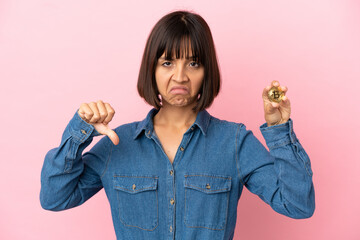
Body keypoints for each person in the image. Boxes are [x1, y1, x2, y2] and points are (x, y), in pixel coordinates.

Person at [40, 10, 315, 240]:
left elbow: (298, 205)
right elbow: (54, 198)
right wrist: (79, 131)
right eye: (168, 62)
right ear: (152, 69)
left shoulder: (235, 142)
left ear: (207, 72)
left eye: (193, 63)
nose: (180, 76)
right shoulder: (116, 144)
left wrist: (280, 131)